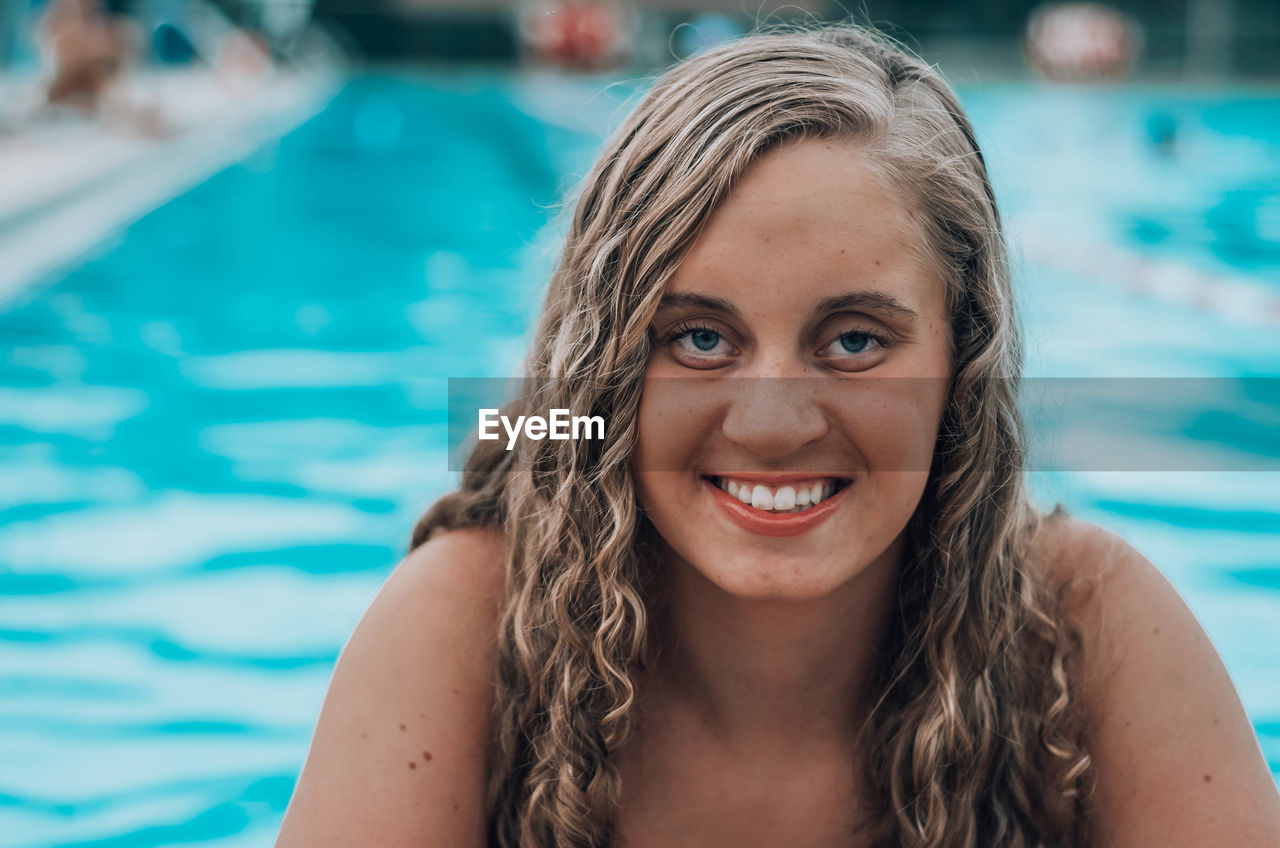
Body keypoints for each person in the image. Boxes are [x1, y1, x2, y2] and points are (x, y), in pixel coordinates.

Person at [273, 23, 1280, 847]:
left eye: (852, 339)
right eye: (698, 338)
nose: (771, 422)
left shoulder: (1087, 629)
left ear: (960, 364)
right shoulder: (467, 624)